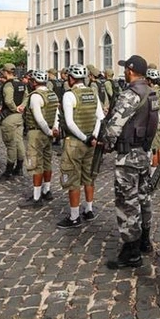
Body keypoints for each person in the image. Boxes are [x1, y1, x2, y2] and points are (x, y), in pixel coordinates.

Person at [98, 55, 159, 269]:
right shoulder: (152, 93)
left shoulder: (130, 95)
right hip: (144, 152)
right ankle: (145, 241)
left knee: (127, 201)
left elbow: (114, 127)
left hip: (128, 155)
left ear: (131, 71)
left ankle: (131, 251)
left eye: (126, 69)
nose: (124, 72)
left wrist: (105, 143)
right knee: (144, 198)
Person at [56, 64, 104, 228]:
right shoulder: (93, 92)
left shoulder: (69, 95)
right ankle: (89, 210)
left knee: (73, 178)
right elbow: (100, 117)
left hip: (75, 142)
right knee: (89, 177)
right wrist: (94, 137)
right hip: (92, 142)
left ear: (70, 78)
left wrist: (84, 138)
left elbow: (69, 122)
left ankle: (74, 216)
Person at [19, 70, 60, 207]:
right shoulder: (52, 94)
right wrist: (54, 128)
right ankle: (47, 190)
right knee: (47, 161)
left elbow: (39, 118)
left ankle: (36, 197)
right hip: (49, 131)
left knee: (36, 163)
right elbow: (56, 113)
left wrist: (48, 131)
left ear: (34, 82)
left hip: (37, 132)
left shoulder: (35, 96)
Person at [0, 63, 28, 181]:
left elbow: (9, 101)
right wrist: (21, 107)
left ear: (5, 72)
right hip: (19, 117)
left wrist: (15, 108)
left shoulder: (8, 85)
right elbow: (26, 97)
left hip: (9, 116)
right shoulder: (21, 83)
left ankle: (8, 170)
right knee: (19, 141)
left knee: (10, 144)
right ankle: (19, 167)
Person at [146, 67, 160, 176]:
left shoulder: (152, 92)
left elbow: (154, 109)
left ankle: (155, 170)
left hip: (154, 122)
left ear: (150, 80)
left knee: (154, 147)